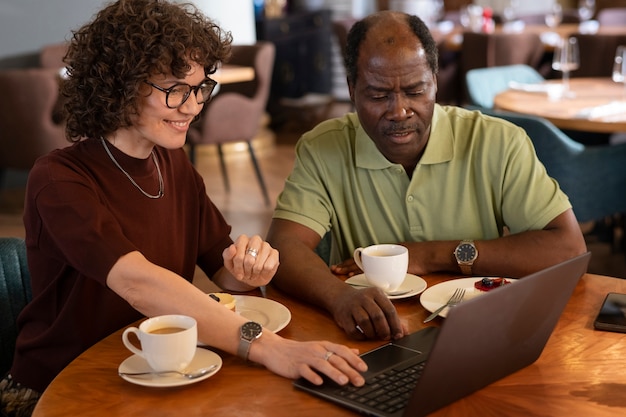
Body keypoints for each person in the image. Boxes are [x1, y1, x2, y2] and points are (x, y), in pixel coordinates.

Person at [0, 1, 366, 416]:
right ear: (120, 84)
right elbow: (139, 282)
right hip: (60, 385)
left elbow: (223, 271)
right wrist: (267, 346)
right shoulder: (59, 179)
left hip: (157, 371)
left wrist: (249, 268)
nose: (192, 106)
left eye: (200, 88)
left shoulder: (171, 162)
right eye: (175, 89)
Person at [266, 11, 587, 342]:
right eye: (378, 95)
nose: (399, 111)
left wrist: (431, 254)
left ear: (434, 81)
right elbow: (284, 246)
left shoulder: (497, 142)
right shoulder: (323, 148)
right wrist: (339, 296)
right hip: (371, 339)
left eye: (415, 91)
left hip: (480, 331)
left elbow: (568, 248)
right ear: (352, 88)